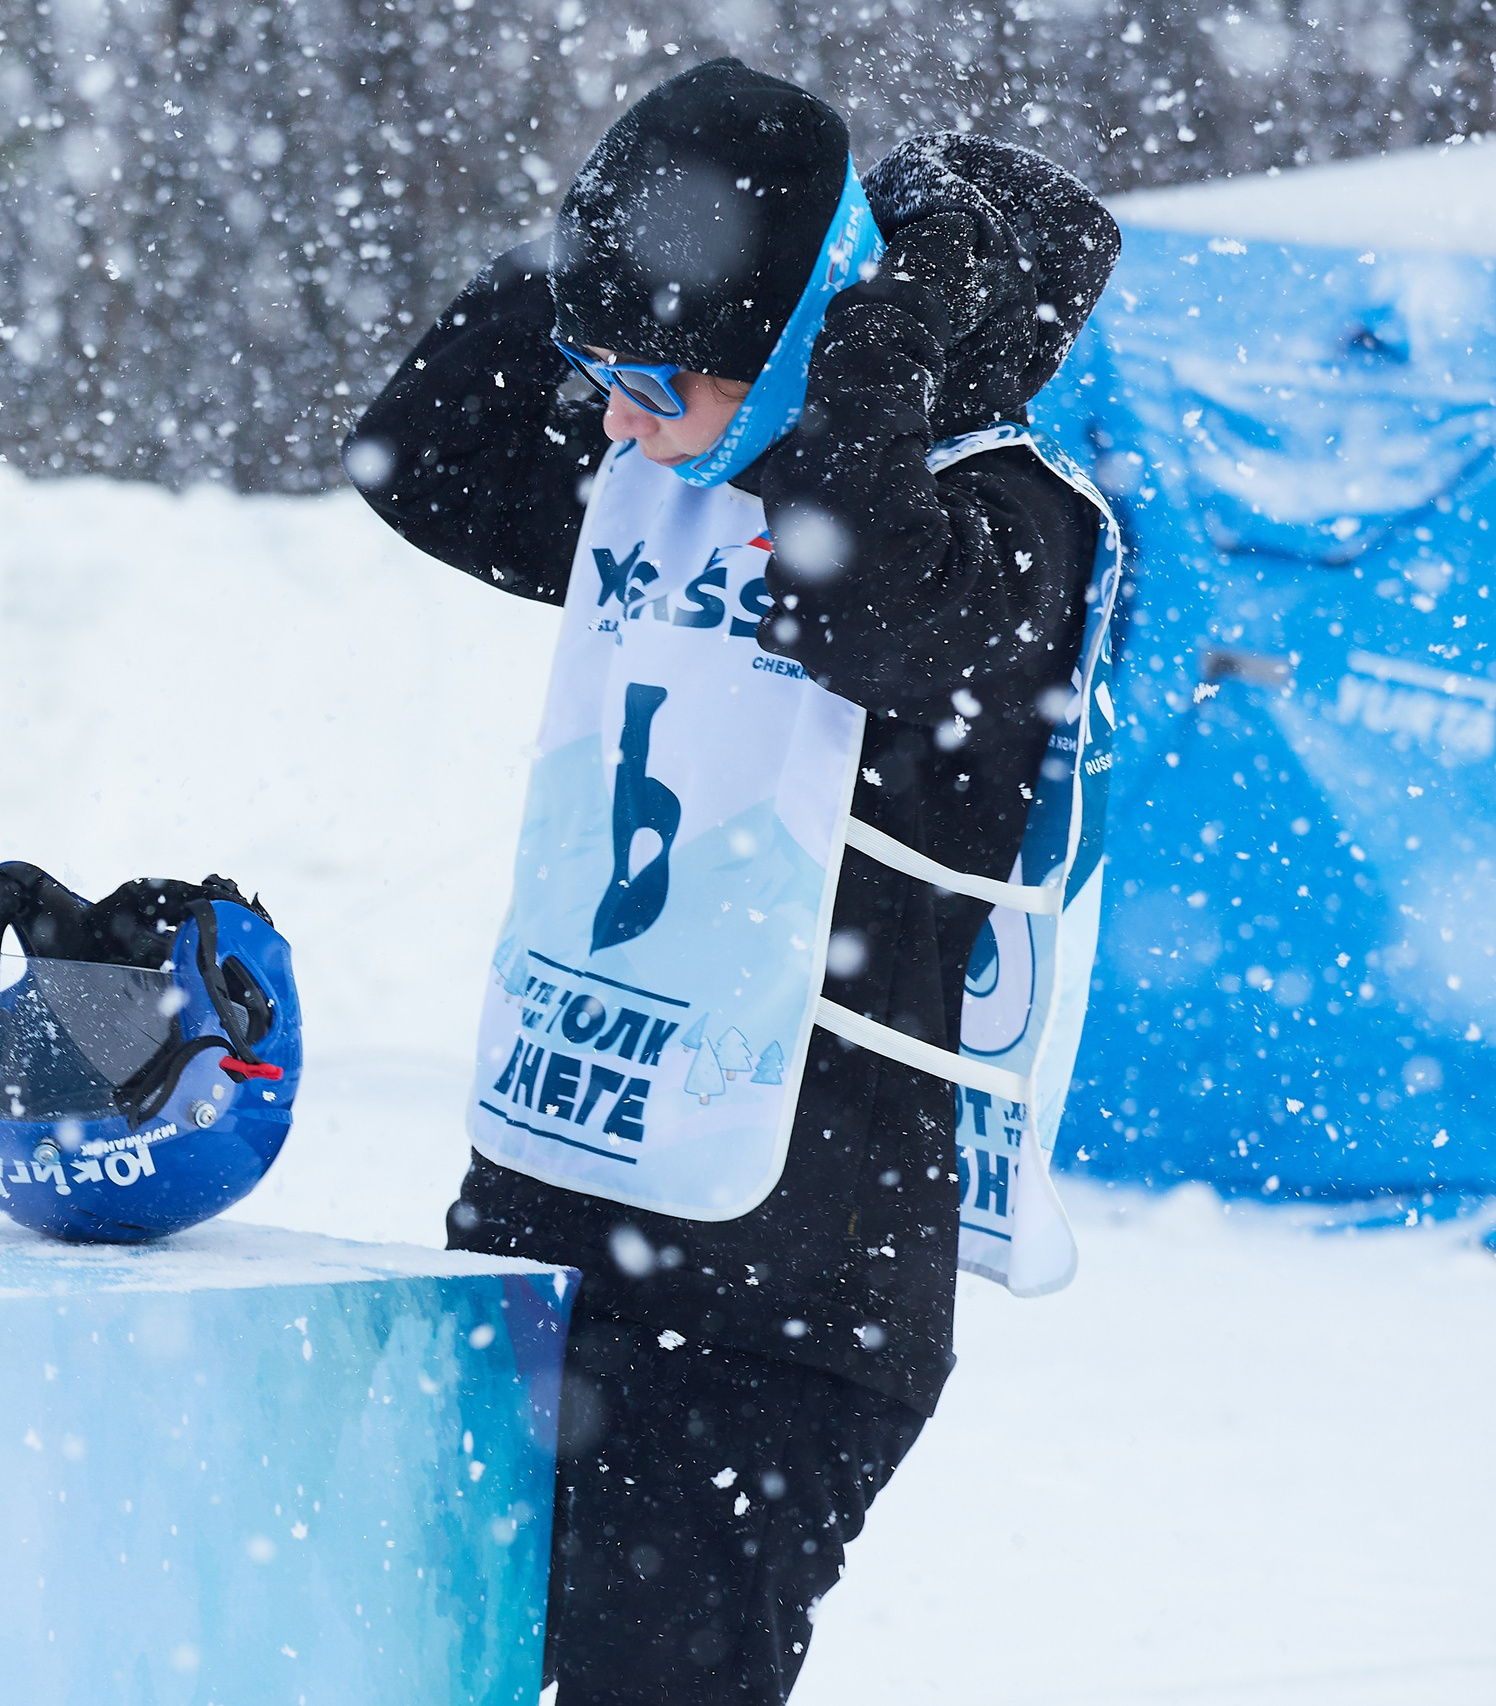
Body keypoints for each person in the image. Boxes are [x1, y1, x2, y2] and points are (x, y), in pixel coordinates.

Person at [345, 59, 1120, 1705]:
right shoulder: (674, 466)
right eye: (598, 375)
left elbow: (863, 604)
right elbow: (409, 450)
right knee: (428, 1656)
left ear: (793, 358)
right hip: (558, 1221)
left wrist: (875, 336)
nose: (615, 419)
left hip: (786, 1294)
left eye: (649, 379)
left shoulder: (1010, 528)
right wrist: (613, 244)